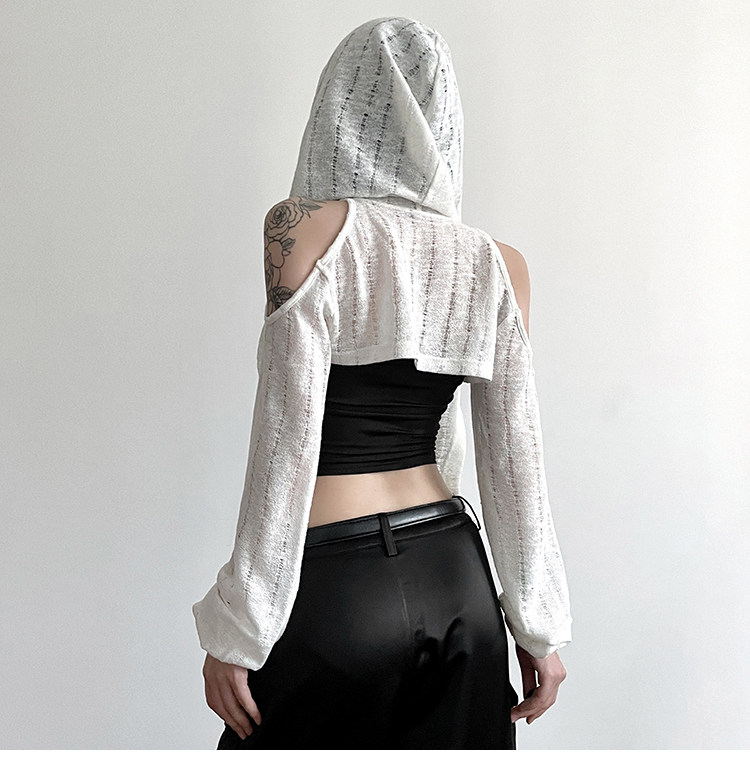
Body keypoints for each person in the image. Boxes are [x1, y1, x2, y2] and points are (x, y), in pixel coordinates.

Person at [192, 16, 572, 750]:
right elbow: (515, 462)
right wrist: (538, 625)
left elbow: (286, 441)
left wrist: (241, 625)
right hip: (456, 577)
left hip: (336, 589)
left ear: (339, 106)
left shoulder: (302, 230)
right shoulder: (499, 264)